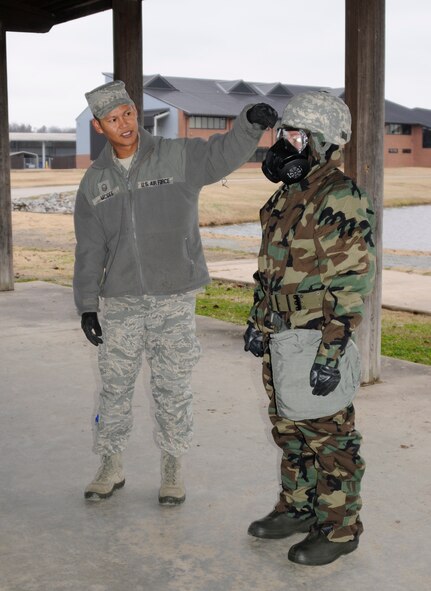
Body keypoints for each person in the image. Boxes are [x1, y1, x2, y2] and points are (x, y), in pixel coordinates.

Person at [73, 79, 277, 504]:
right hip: (122, 301)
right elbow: (89, 249)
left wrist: (248, 125)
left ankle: (172, 466)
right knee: (114, 387)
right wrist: (87, 305)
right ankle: (110, 463)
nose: (124, 123)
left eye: (128, 113)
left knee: (173, 387)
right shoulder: (94, 182)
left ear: (135, 111)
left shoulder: (176, 155)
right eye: (113, 119)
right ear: (99, 126)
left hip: (173, 297)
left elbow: (221, 153)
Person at [243, 90, 376, 565]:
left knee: (329, 438)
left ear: (323, 142)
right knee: (290, 431)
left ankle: (340, 529)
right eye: (283, 134)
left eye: (295, 135)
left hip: (315, 338)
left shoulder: (339, 196)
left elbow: (352, 281)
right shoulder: (286, 195)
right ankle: (299, 509)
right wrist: (259, 320)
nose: (284, 144)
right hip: (281, 337)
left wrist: (332, 351)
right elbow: (271, 270)